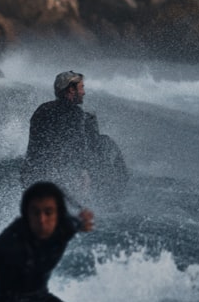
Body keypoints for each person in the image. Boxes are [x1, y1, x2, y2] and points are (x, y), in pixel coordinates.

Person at [20, 71, 127, 204]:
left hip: (30, 176)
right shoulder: (75, 114)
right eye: (81, 87)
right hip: (57, 181)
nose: (84, 92)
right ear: (71, 90)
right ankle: (114, 197)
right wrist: (84, 173)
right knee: (105, 141)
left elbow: (40, 147)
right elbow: (77, 147)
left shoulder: (42, 109)